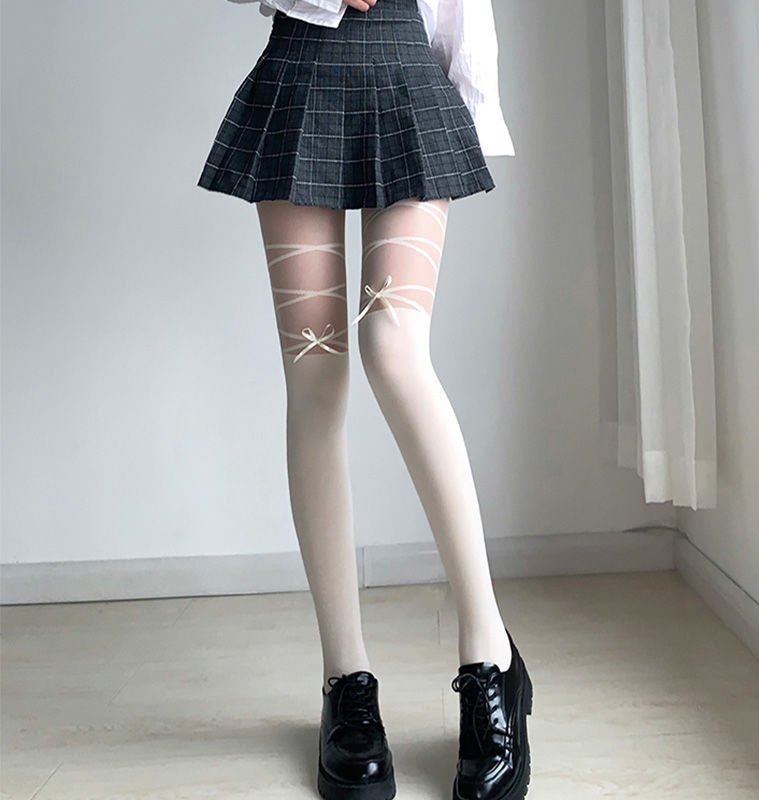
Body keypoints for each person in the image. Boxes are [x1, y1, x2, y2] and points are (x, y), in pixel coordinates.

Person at [196, 0, 533, 798]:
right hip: (301, 74)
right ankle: (346, 680)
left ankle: (490, 654)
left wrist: (471, 109)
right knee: (314, 371)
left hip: (411, 77)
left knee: (391, 343)